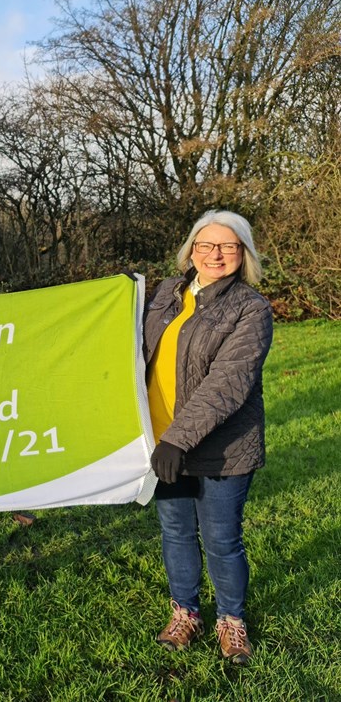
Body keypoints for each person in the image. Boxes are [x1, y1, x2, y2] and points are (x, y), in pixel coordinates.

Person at [143, 210, 272, 664]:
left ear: (244, 254)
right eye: (206, 245)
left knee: (221, 539)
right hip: (161, 444)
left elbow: (228, 383)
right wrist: (115, 295)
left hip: (220, 448)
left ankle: (231, 622)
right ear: (191, 250)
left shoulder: (251, 308)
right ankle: (186, 613)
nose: (215, 255)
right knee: (176, 532)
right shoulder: (164, 295)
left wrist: (179, 438)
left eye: (228, 246)